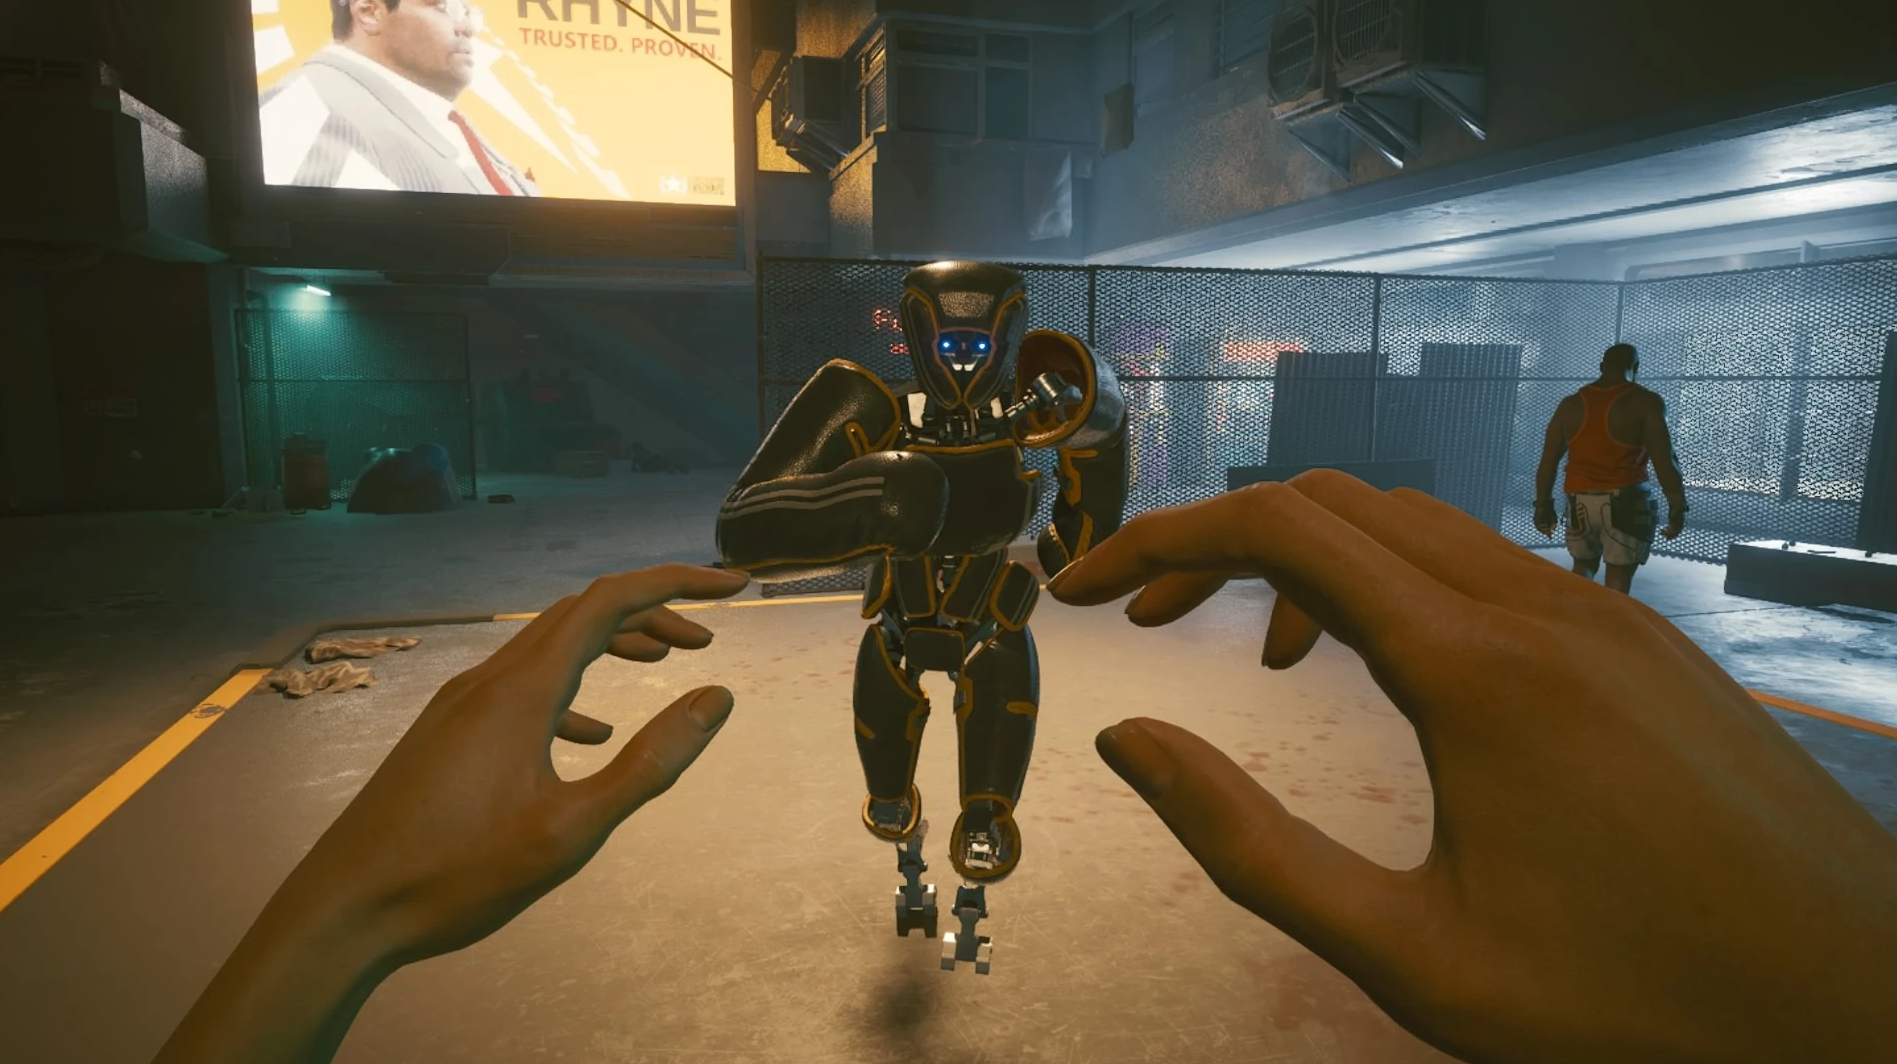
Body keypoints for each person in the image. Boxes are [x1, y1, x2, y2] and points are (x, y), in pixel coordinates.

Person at [152, 477, 1897, 1064]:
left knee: (972, 730)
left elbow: (1065, 520)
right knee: (895, 734)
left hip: (982, 629)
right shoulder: (876, 425)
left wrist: (338, 917)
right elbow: (772, 516)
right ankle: (912, 813)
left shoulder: (1032, 438)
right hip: (901, 629)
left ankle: (955, 818)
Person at [259, 0, 540, 195]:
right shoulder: (302, 107)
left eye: (467, 10)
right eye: (444, 6)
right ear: (369, 12)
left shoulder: (439, 117)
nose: (468, 27)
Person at [1533, 342, 1686, 593]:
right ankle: (1610, 620)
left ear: (1601, 366)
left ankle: (1575, 617)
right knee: (1618, 580)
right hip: (1626, 500)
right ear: (1636, 367)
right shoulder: (1646, 402)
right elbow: (1665, 459)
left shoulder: (1570, 404)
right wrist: (1678, 504)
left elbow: (1548, 460)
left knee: (1582, 571)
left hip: (1578, 501)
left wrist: (1542, 505)